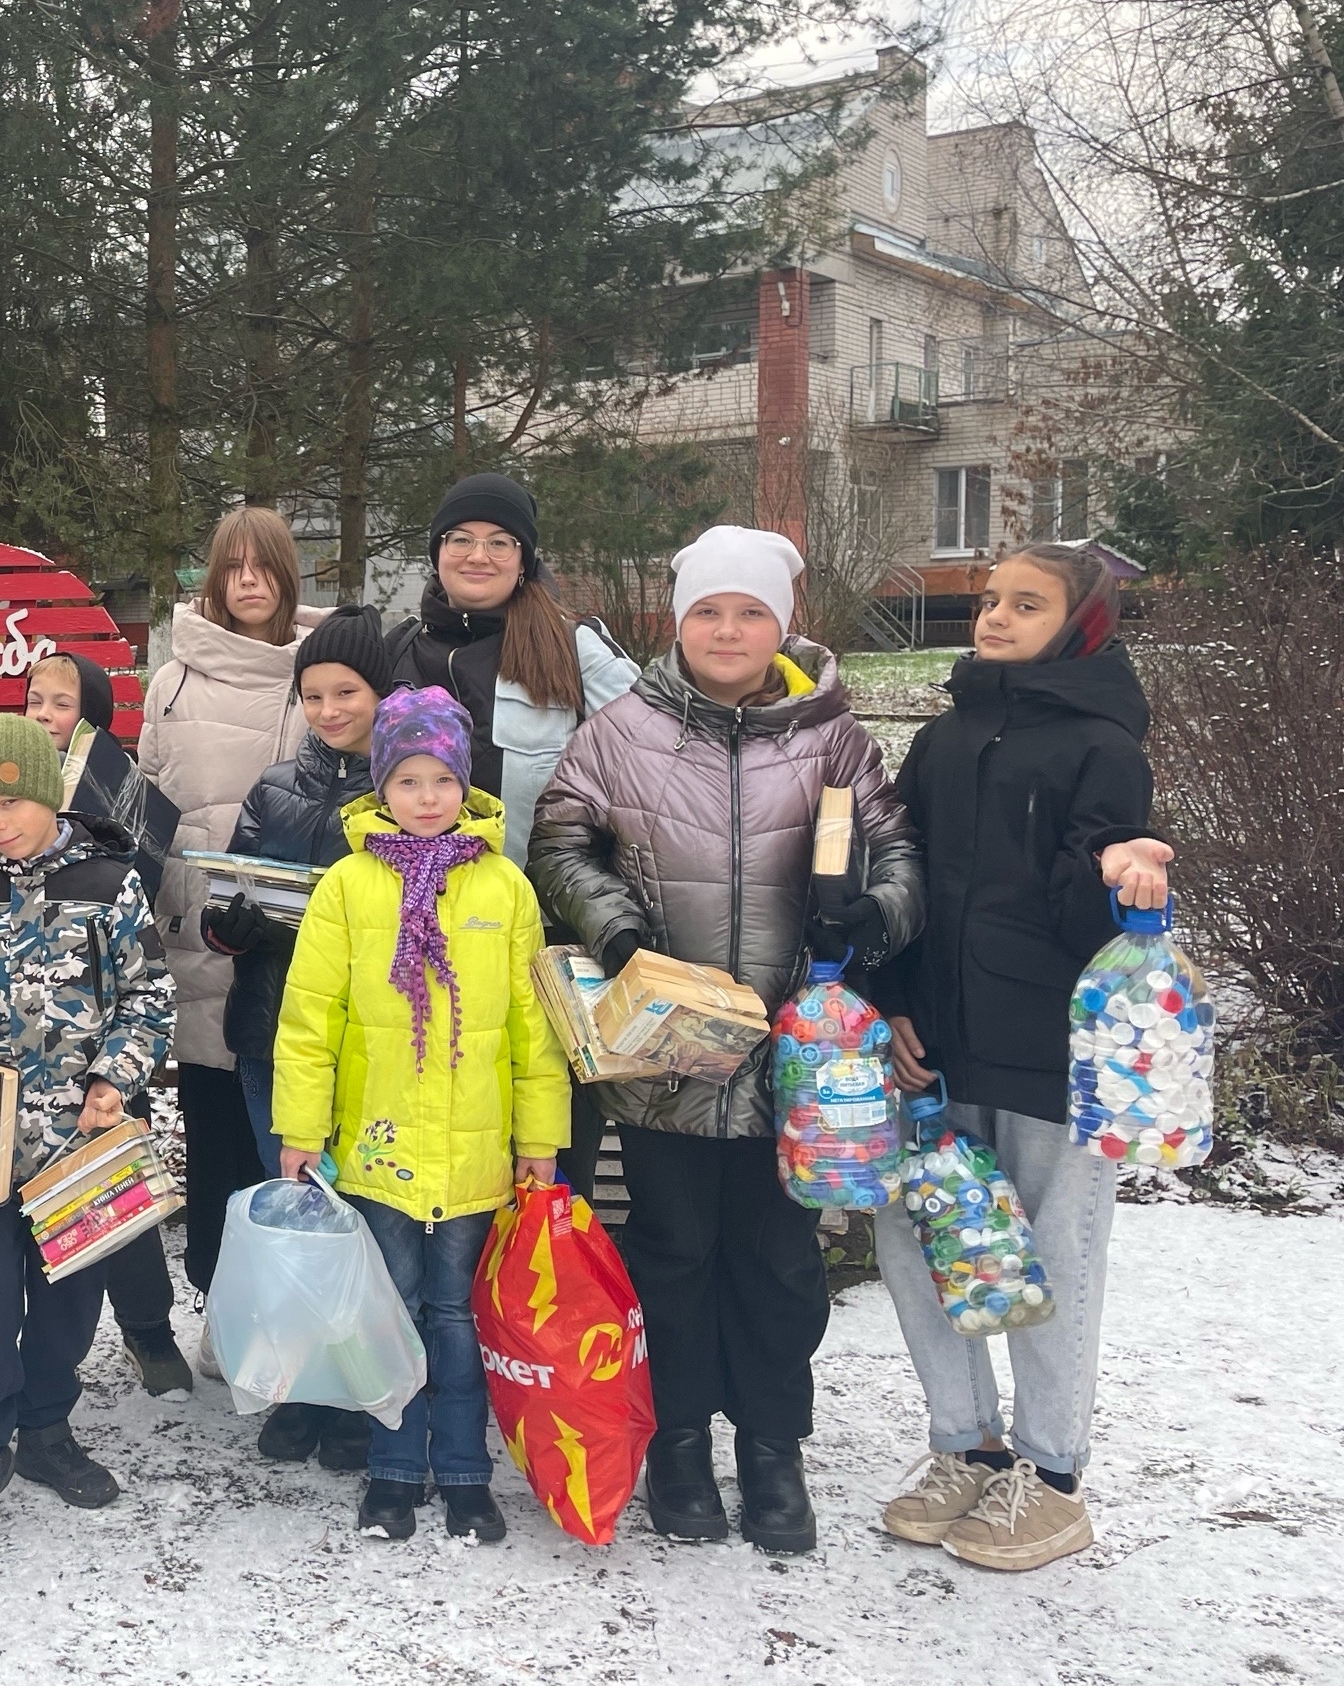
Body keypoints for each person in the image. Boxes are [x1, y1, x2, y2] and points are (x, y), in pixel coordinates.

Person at [530, 525, 923, 1555]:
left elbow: (896, 852)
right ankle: (679, 1443)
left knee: (779, 1262)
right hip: (667, 1054)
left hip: (797, 1062)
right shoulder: (621, 730)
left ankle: (772, 1446)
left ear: (780, 625)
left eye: (750, 613)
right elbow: (561, 844)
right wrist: (617, 934)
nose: (728, 630)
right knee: (670, 1255)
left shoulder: (833, 737)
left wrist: (872, 918)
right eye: (708, 610)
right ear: (679, 620)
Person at [867, 544, 1170, 1572]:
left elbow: (1089, 922)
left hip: (1052, 1053)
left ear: (1079, 623)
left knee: (1053, 1255)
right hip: (938, 1046)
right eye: (991, 599)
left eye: (1025, 604)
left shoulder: (1102, 745)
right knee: (924, 1241)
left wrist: (1120, 869)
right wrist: (893, 1000)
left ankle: (1051, 1476)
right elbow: (903, 877)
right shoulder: (943, 738)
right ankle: (967, 1446)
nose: (993, 616)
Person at [272, 685, 570, 1545]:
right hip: (380, 1150)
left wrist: (539, 1137)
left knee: (461, 1317)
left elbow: (534, 1028)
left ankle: (467, 1473)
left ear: (466, 782)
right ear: (382, 787)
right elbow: (309, 1019)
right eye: (408, 780)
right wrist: (302, 1130)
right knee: (390, 1315)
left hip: (476, 1158)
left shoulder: (505, 887)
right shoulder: (347, 886)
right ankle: (395, 1469)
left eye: (442, 779)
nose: (428, 797)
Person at [0, 712, 175, 1563]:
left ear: (49, 794)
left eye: (10, 805)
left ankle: (47, 1427)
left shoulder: (111, 884)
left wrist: (114, 1078)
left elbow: (149, 997)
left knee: (69, 1301)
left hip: (80, 1147)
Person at [384, 472, 636, 1196]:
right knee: (444, 1142)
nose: (479, 555)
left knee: (548, 1151)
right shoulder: (400, 648)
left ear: (525, 558)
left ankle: (549, 1266)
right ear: (436, 552)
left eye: (500, 542)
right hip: (418, 936)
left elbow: (654, 752)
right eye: (460, 539)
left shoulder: (572, 646)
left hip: (542, 940)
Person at [202, 604, 390, 1471]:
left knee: (362, 1221)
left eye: (345, 692)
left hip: (369, 1045)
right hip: (271, 1032)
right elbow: (224, 901)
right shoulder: (275, 786)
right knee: (294, 1217)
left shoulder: (406, 792)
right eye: (312, 695)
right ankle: (300, 1389)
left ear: (380, 692)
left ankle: (355, 1392)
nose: (328, 710)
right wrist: (230, 926)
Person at [140, 506, 323, 1360]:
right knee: (212, 1133)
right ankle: (219, 1301)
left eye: (264, 565)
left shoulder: (320, 675)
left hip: (299, 949)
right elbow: (148, 811)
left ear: (288, 575)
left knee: (286, 1138)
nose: (248, 581)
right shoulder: (172, 681)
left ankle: (291, 1312)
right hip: (198, 942)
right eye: (233, 566)